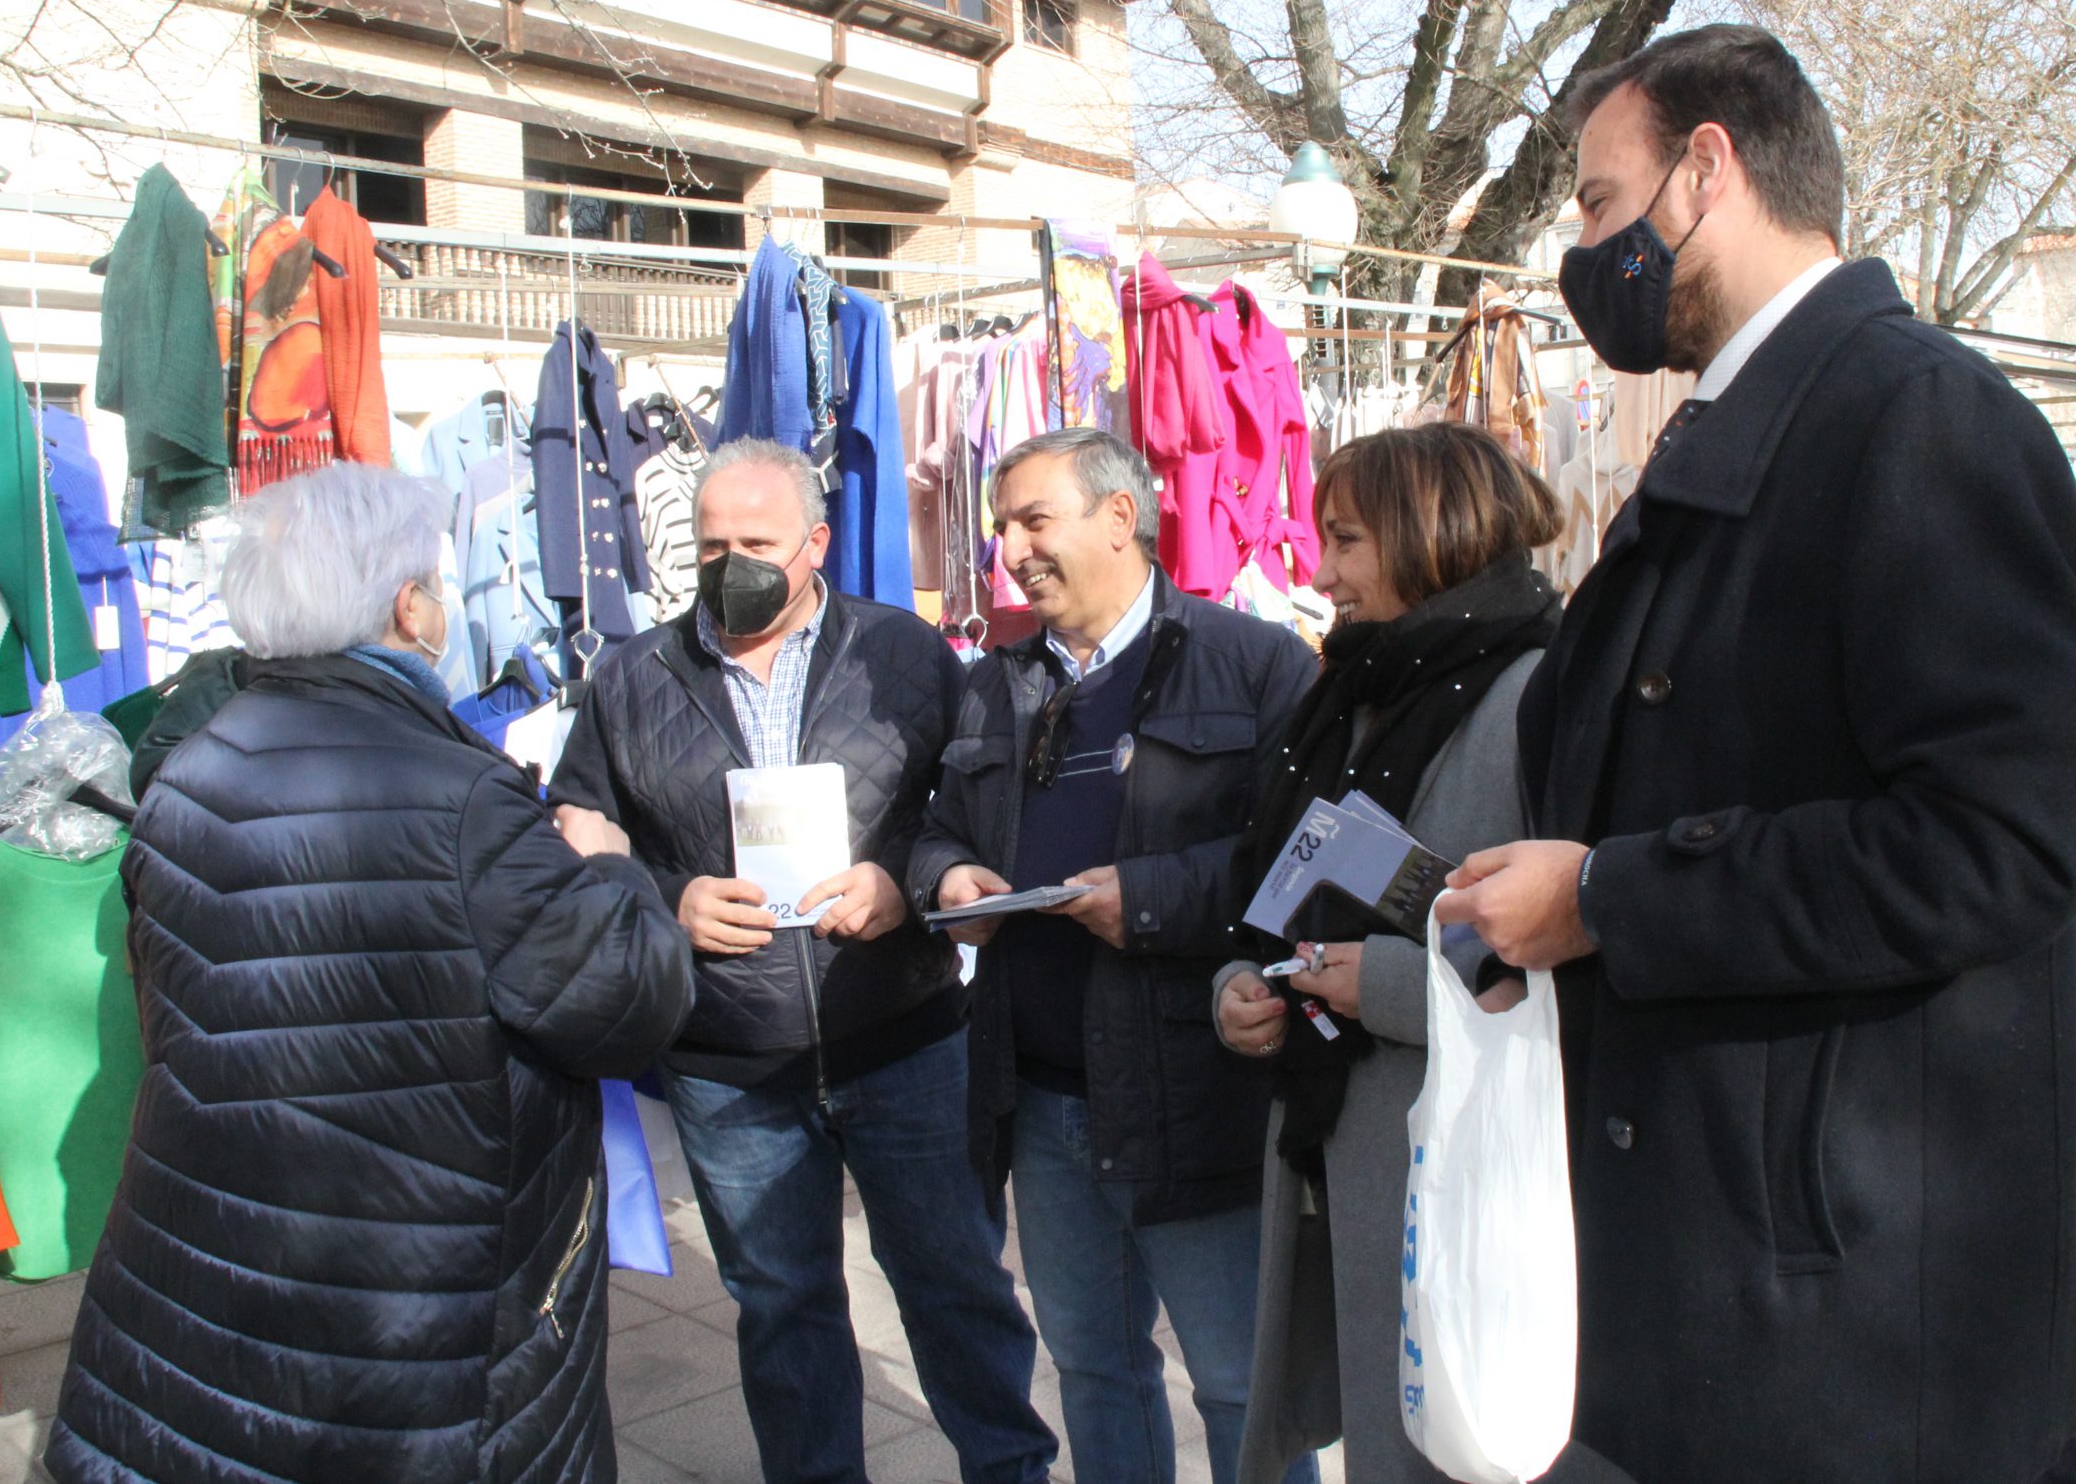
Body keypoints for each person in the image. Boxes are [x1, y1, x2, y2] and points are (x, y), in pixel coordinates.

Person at [1442, 24, 2076, 1484]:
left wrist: (1613, 897)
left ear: (1706, 170)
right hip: (1749, 1284)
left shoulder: (1914, 414)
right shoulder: (1755, 424)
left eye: (1601, 205)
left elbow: (2009, 838)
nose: (1585, 248)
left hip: (1859, 1325)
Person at [46, 464, 695, 1484]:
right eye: (435, 586)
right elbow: (629, 1004)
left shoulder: (188, 774)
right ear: (407, 607)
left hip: (206, 1285)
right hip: (413, 1319)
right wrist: (608, 865)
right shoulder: (464, 800)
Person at [547, 438, 1055, 1484]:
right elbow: (575, 826)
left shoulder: (903, 653)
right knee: (783, 1310)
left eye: (758, 543)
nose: (731, 564)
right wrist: (665, 898)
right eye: (711, 545)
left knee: (955, 1287)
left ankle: (1008, 1469)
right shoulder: (631, 675)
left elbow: (970, 809)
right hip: (729, 1062)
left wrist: (900, 880)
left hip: (902, 1037)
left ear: (816, 543)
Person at [907, 428, 1319, 1484]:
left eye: (1034, 521)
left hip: (1197, 1092)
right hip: (1039, 1101)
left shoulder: (1254, 663)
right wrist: (948, 880)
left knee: (1235, 1381)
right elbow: (939, 829)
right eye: (1004, 527)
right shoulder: (992, 682)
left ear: (1121, 518)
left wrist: (1150, 898)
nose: (1011, 550)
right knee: (1092, 1367)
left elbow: (1303, 861)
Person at [1207, 423, 1562, 1484]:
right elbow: (1264, 886)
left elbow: (1575, 946)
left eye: (1347, 540)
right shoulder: (1350, 692)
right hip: (1335, 1140)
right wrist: (1238, 982)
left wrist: (1392, 988)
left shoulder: (1537, 697)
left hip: (1457, 1165)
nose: (1321, 574)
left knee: (1456, 1442)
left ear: (1430, 533)